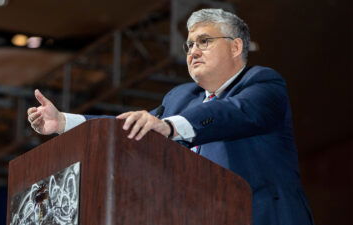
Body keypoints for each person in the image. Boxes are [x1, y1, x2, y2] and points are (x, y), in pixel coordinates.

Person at [27, 8, 314, 225]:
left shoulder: (262, 82)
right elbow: (129, 129)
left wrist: (168, 126)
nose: (193, 52)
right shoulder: (180, 97)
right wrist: (64, 122)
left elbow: (233, 113)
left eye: (204, 41)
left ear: (236, 47)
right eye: (189, 45)